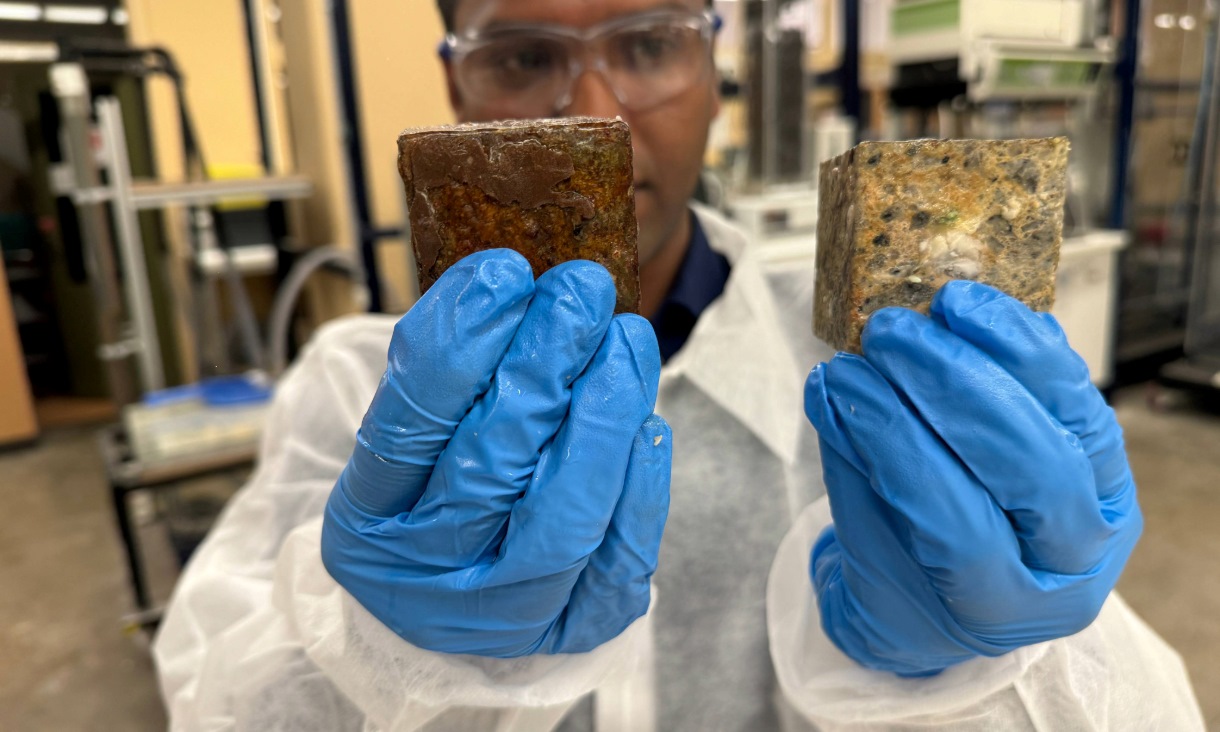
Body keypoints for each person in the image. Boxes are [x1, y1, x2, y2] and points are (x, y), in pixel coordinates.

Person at [153, 1, 1205, 729]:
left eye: (648, 42)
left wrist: (983, 663)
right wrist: (381, 650)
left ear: (712, 77)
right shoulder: (353, 389)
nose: (591, 107)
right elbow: (213, 697)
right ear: (455, 87)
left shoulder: (866, 367)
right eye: (521, 55)